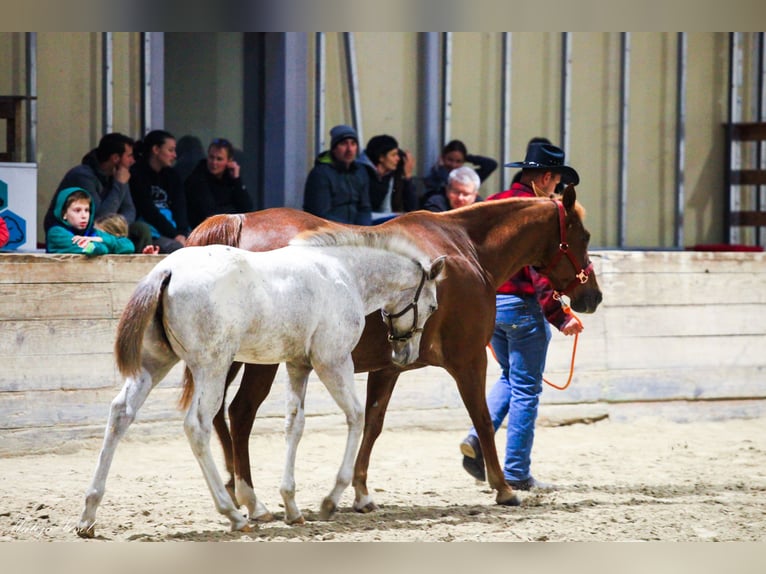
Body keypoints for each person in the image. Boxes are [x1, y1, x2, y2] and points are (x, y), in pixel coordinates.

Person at [459, 142, 584, 491]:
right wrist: (560, 316)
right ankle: (515, 471)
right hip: (523, 307)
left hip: (488, 304)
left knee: (510, 376)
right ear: (545, 177)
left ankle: (475, 436)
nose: (557, 189)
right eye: (557, 182)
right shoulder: (541, 212)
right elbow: (540, 271)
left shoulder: (492, 203)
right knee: (527, 388)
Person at [42, 132, 153, 254]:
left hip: (103, 229)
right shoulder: (83, 175)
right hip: (87, 228)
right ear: (115, 158)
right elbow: (99, 217)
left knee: (141, 229)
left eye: (86, 210)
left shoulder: (120, 175)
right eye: (129, 156)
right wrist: (119, 185)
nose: (133, 160)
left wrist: (114, 228)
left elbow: (129, 211)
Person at [130, 129, 189, 253]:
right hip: (153, 232)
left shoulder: (172, 175)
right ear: (156, 150)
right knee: (177, 250)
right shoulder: (137, 174)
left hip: (176, 231)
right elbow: (148, 211)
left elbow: (180, 207)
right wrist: (174, 235)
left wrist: (182, 233)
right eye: (170, 150)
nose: (175, 155)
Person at [303, 124, 372, 225]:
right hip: (327, 232)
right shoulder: (320, 174)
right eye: (344, 144)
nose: (349, 149)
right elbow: (319, 213)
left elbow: (365, 208)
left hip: (353, 232)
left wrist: (363, 230)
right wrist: (349, 231)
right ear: (334, 149)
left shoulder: (360, 171)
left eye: (353, 144)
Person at [184, 137, 254, 230]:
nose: (214, 163)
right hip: (203, 231)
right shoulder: (197, 178)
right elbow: (211, 214)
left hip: (227, 228)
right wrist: (233, 211)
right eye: (211, 157)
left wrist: (237, 180)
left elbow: (247, 208)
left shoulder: (229, 177)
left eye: (219, 159)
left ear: (229, 161)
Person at [45, 187, 135, 255]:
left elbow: (128, 246)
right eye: (77, 210)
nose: (84, 216)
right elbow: (95, 249)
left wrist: (100, 238)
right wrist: (104, 244)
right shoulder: (56, 233)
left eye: (87, 210)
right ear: (64, 214)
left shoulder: (92, 233)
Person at [357, 134, 418, 223]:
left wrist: (407, 176)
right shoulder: (361, 173)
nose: (397, 159)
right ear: (381, 157)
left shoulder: (388, 175)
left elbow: (411, 208)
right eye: (393, 155)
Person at [421, 139, 498, 207]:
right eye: (450, 160)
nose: (453, 165)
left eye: (458, 161)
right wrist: (441, 170)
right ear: (442, 158)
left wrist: (467, 157)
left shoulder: (470, 179)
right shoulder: (433, 179)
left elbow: (491, 164)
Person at [94, 213, 160, 254]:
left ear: (117, 236)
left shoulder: (125, 246)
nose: (97, 238)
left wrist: (147, 260)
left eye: (101, 234)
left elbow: (127, 246)